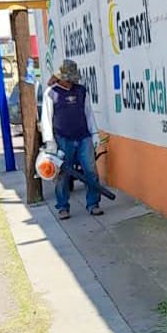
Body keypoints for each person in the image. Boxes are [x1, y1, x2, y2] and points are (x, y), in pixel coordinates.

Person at [41, 59, 103, 220]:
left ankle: (93, 203)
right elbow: (46, 119)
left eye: (72, 79)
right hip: (62, 138)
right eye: (67, 79)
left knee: (90, 170)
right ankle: (63, 206)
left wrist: (95, 133)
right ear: (61, 78)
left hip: (83, 136)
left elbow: (88, 113)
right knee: (62, 174)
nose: (70, 82)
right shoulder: (51, 93)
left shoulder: (81, 91)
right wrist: (49, 141)